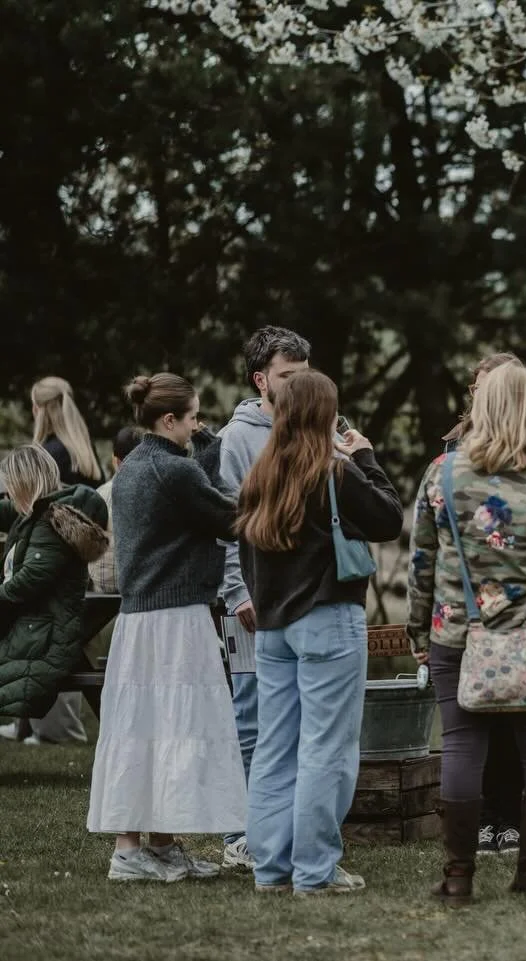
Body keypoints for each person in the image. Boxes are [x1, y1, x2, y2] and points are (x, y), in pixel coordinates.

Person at [410, 359, 526, 902]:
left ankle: (458, 875)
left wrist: (418, 632)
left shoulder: (442, 474)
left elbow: (421, 562)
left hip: (456, 634)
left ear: (479, 406)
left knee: (462, 748)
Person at [237, 369, 403, 897]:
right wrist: (366, 457)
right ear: (324, 415)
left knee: (274, 748)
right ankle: (314, 870)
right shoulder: (335, 472)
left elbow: (245, 554)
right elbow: (387, 521)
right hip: (328, 617)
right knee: (326, 748)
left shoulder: (259, 474)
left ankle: (271, 869)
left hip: (273, 627)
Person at [86, 374, 247, 883]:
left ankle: (157, 844)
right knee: (171, 728)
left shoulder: (136, 463)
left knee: (150, 728)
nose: (199, 425)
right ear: (169, 420)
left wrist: (200, 451)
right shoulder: (173, 471)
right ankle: (131, 850)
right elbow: (231, 515)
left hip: (142, 618)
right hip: (172, 617)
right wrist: (215, 450)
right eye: (194, 417)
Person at [440, 351, 526, 857]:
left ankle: (513, 819)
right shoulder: (451, 451)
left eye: (488, 388)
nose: (480, 398)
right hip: (471, 611)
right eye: (475, 388)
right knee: (476, 718)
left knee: (524, 713)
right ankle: (486, 820)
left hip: (520, 605)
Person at [214, 325, 312, 870]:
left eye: (303, 375)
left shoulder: (313, 429)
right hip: (251, 602)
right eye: (286, 376)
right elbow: (228, 525)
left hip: (301, 597)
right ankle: (239, 833)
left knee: (294, 719)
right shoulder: (239, 439)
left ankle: (280, 827)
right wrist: (237, 594)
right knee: (250, 719)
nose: (297, 385)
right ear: (261, 380)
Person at [8, 377, 104, 745]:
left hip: (61, 563)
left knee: (46, 631)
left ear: (40, 409)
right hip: (82, 558)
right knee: (68, 639)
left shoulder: (50, 453)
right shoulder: (82, 448)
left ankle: (38, 723)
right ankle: (32, 723)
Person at [88, 427, 146, 596]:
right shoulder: (153, 492)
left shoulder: (99, 494)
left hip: (102, 586)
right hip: (140, 586)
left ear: (115, 461)